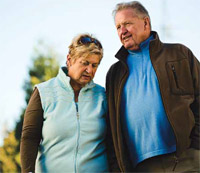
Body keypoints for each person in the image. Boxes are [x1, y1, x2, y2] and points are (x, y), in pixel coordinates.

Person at [106, 1, 200, 172]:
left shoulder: (179, 54)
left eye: (127, 24)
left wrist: (196, 145)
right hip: (141, 167)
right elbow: (112, 125)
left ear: (146, 23)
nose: (122, 31)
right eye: (118, 27)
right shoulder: (114, 73)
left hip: (185, 158)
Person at [20, 33, 109, 172]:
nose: (89, 70)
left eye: (94, 65)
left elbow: (113, 142)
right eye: (85, 63)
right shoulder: (44, 92)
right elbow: (29, 137)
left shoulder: (103, 96)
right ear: (70, 60)